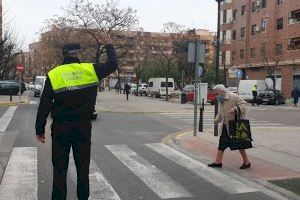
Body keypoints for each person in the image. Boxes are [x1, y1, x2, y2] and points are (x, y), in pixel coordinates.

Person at [35, 33, 118, 200]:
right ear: (78, 54)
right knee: (82, 168)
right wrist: (109, 45)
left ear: (64, 55)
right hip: (83, 127)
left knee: (59, 168)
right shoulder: (90, 69)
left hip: (60, 128)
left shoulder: (54, 74)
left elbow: (45, 103)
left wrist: (40, 129)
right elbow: (112, 64)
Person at [208, 84, 251, 169]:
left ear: (222, 92)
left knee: (239, 144)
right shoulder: (222, 99)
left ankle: (247, 162)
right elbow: (221, 112)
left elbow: (244, 105)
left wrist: (235, 109)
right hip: (225, 125)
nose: (216, 96)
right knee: (222, 144)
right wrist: (216, 120)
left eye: (216, 94)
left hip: (234, 125)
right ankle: (218, 162)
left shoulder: (233, 96)